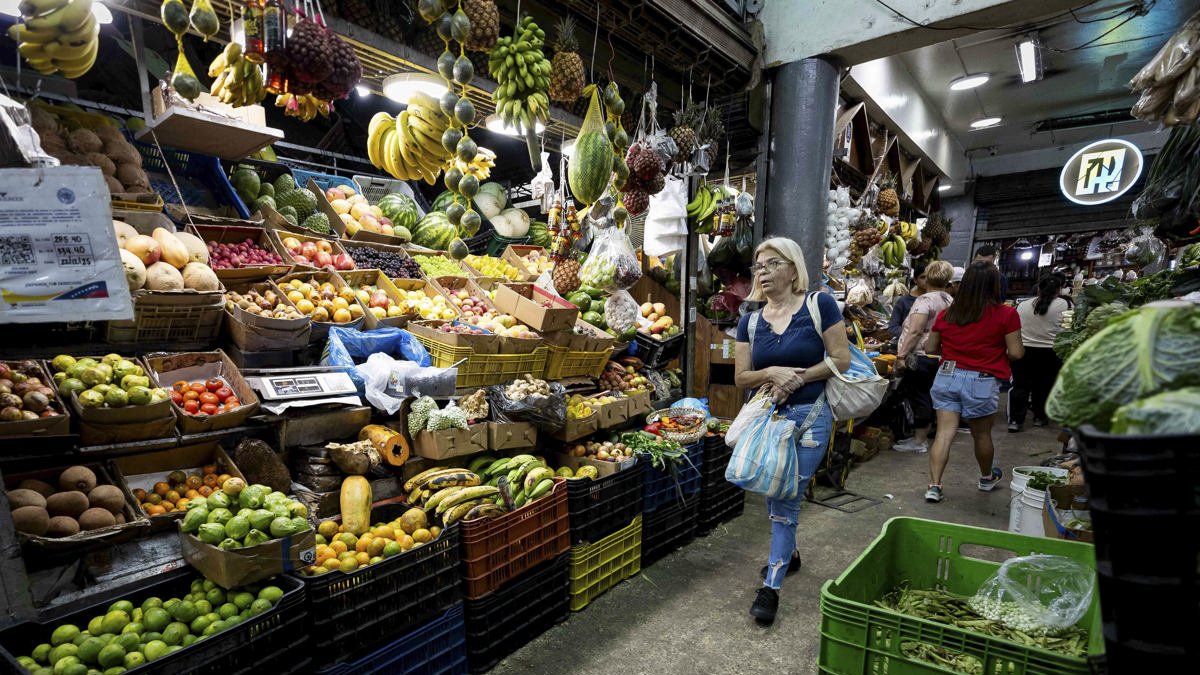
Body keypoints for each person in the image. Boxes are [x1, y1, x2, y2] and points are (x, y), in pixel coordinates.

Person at [733, 237, 851, 625]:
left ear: (792, 266)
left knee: (784, 497)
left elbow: (841, 359)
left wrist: (797, 378)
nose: (762, 273)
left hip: (811, 418)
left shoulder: (820, 305)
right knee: (775, 488)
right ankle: (791, 553)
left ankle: (772, 585)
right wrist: (770, 373)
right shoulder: (749, 320)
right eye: (758, 267)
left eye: (770, 264)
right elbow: (741, 378)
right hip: (770, 420)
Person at [922, 262, 1023, 503]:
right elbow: (1017, 353)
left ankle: (934, 486)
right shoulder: (1006, 314)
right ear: (994, 286)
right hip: (981, 380)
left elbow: (930, 348)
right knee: (981, 435)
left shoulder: (948, 314)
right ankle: (987, 478)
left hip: (947, 376)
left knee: (944, 434)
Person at [892, 261, 955, 452]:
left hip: (921, 356)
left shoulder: (925, 300)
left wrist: (901, 355)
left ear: (927, 277)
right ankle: (922, 437)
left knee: (920, 396)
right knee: (929, 395)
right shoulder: (949, 300)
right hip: (941, 356)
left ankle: (919, 441)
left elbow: (915, 331)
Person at [1008, 273, 1071, 432]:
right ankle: (1039, 418)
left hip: (1024, 351)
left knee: (1020, 385)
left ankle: (1015, 421)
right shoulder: (1065, 305)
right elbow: (1069, 328)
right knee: (1043, 386)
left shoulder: (1022, 305)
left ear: (1038, 288)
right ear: (1059, 289)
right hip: (1051, 353)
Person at [888, 262, 927, 339]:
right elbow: (893, 327)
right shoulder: (904, 302)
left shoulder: (935, 300)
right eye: (923, 277)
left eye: (930, 277)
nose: (927, 280)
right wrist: (910, 335)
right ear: (915, 280)